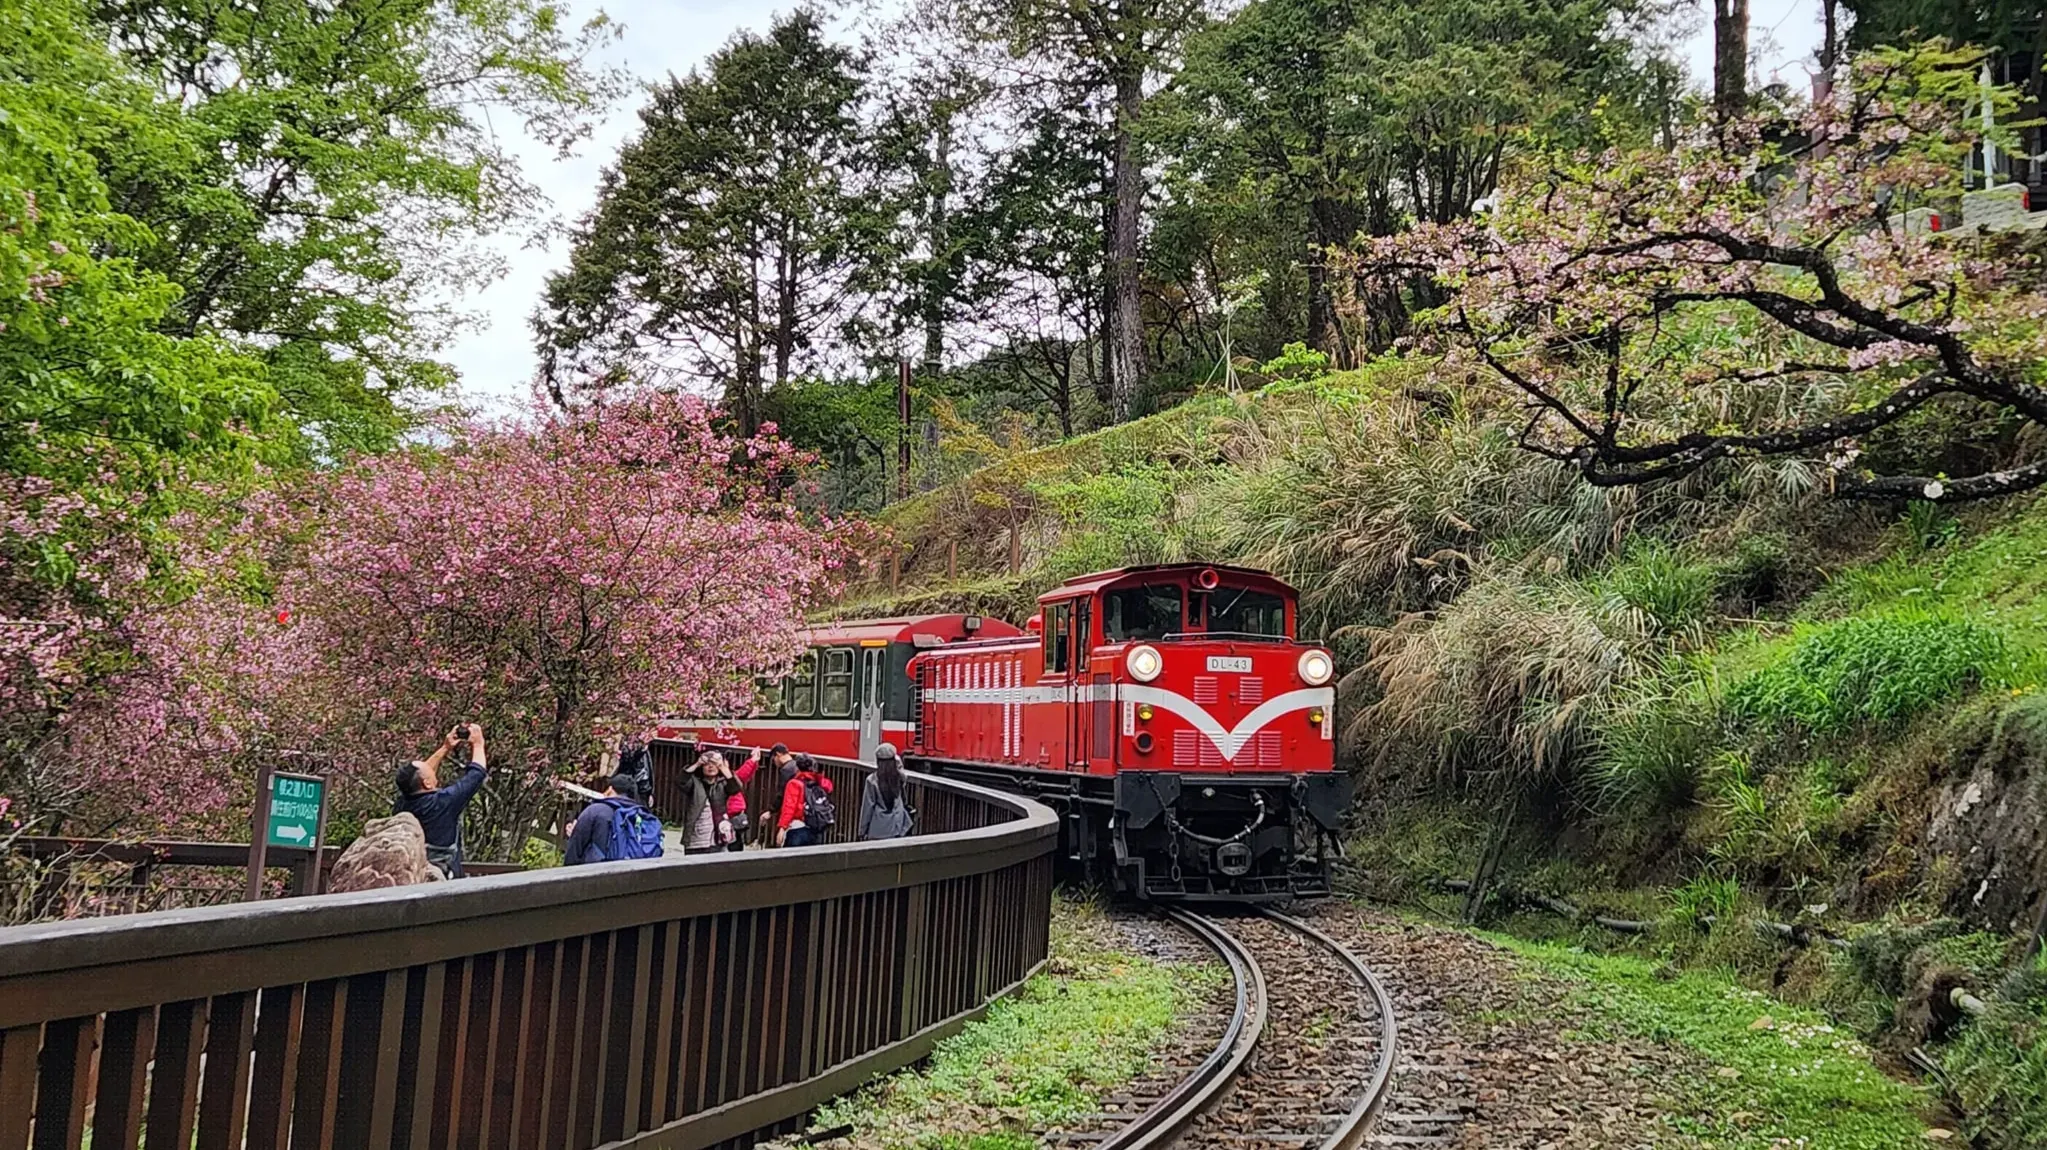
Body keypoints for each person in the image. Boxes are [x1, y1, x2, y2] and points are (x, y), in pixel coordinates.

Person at [394, 723, 489, 878]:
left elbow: (419, 777)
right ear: (427, 783)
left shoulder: (402, 804)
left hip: (413, 873)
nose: (432, 768)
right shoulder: (442, 803)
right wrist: (478, 744)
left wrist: (445, 747)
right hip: (442, 876)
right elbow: (476, 775)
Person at [564, 772, 665, 864]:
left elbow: (575, 851)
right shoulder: (643, 816)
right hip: (636, 877)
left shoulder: (595, 811)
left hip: (598, 876)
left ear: (610, 789)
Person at [776, 753, 835, 848]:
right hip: (816, 828)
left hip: (797, 828)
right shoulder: (818, 782)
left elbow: (789, 808)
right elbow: (829, 787)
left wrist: (782, 828)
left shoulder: (794, 783)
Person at [858, 743, 914, 841]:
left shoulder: (872, 780)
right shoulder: (899, 778)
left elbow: (868, 807)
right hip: (899, 827)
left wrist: (862, 831)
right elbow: (900, 767)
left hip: (879, 829)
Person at [680, 750, 727, 854]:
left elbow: (736, 787)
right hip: (695, 837)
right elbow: (681, 781)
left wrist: (723, 767)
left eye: (714, 764)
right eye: (706, 764)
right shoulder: (694, 783)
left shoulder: (722, 783)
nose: (710, 766)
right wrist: (697, 764)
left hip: (717, 837)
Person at [723, 748, 764, 852]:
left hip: (735, 817)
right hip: (727, 817)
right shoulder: (722, 779)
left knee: (735, 844)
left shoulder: (731, 777)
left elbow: (742, 774)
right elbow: (742, 774)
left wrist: (753, 760)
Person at [756, 743, 795, 845]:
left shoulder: (786, 770)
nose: (774, 762)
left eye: (773, 758)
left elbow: (781, 794)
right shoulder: (796, 766)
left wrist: (771, 810)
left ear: (778, 755)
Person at [615, 733, 654, 805]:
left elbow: (648, 770)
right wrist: (642, 747)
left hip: (644, 788)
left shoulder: (644, 750)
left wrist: (650, 792)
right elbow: (628, 758)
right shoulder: (627, 741)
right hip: (632, 787)